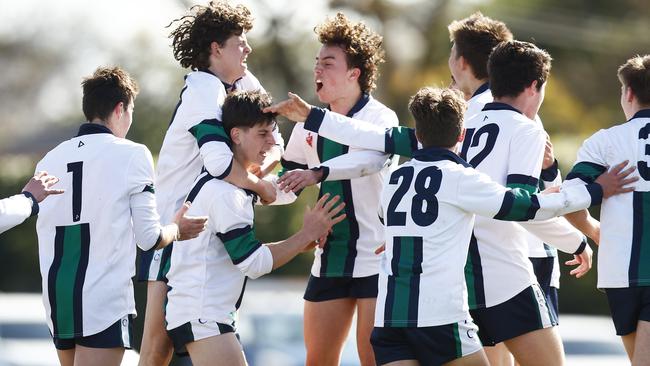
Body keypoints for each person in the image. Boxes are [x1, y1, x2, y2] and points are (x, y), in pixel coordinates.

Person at [266, 41, 595, 365]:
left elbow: (373, 137)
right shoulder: (522, 132)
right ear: (536, 85)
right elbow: (522, 208)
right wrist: (579, 226)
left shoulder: (443, 138)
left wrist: (313, 116)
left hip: (433, 296)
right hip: (501, 280)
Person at [372, 87, 633, 366]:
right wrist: (594, 191)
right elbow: (524, 208)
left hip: (388, 317)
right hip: (438, 317)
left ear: (418, 135)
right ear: (462, 135)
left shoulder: (396, 177)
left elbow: (387, 219)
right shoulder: (462, 178)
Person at [137, 3, 284, 365]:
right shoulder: (203, 88)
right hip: (175, 224)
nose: (247, 49)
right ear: (216, 49)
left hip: (204, 224)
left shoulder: (245, 83)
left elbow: (275, 142)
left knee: (178, 341)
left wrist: (262, 175)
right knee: (158, 344)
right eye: (240, 43)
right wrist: (261, 187)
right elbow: (219, 164)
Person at [34, 66, 207, 366]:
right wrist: (177, 229)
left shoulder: (49, 159)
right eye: (131, 110)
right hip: (103, 300)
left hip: (58, 298)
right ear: (120, 108)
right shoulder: (133, 154)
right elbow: (149, 238)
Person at [165, 90, 346, 366]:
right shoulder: (226, 193)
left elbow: (277, 194)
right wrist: (305, 234)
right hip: (204, 315)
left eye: (272, 133)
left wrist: (303, 241)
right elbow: (254, 263)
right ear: (236, 135)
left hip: (202, 314)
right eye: (263, 134)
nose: (273, 141)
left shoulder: (231, 186)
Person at [276, 13, 398, 366]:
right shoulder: (307, 125)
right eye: (316, 63)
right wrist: (253, 187)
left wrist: (319, 172)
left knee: (372, 358)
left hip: (377, 255)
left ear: (354, 73)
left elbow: (371, 160)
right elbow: (289, 183)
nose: (318, 70)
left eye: (328, 64)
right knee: (318, 359)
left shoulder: (380, 118)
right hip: (329, 256)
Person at [563, 54, 650, 365]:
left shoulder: (603, 142)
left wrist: (593, 229)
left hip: (619, 276)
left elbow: (569, 202)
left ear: (628, 93)